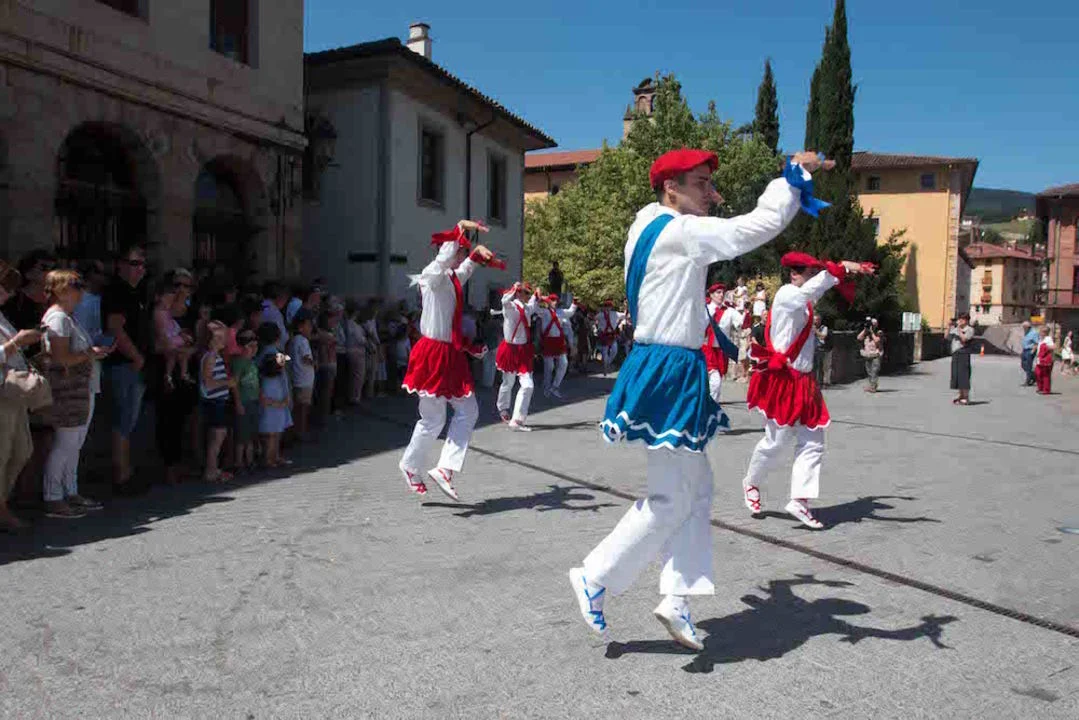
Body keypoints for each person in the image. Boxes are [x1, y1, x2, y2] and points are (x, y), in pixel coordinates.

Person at [571, 148, 835, 650]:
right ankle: (596, 576)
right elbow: (750, 229)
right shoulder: (680, 232)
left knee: (698, 489)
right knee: (672, 497)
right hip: (670, 366)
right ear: (671, 187)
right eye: (701, 183)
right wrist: (791, 180)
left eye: (711, 184)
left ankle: (676, 598)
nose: (712, 194)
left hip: (671, 364)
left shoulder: (646, 224)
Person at [741, 253, 875, 530]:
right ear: (795, 274)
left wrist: (845, 269)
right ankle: (751, 483)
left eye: (815, 273)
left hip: (804, 381)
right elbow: (812, 290)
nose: (814, 278)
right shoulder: (787, 294)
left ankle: (800, 500)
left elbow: (814, 291)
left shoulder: (804, 304)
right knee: (776, 442)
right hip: (783, 380)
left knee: (814, 441)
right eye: (810, 273)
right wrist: (839, 269)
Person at [399, 220, 496, 500]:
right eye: (460, 251)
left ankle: (438, 468)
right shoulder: (432, 275)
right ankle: (417, 466)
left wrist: (476, 256)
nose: (462, 255)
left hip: (447, 353)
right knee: (436, 418)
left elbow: (463, 271)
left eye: (463, 251)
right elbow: (442, 262)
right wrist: (458, 230)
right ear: (449, 250)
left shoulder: (451, 279)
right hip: (433, 354)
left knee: (459, 412)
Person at [41, 270, 112, 518]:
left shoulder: (68, 318)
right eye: (74, 285)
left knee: (75, 444)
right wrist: (90, 354)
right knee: (65, 444)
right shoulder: (58, 318)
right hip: (67, 390)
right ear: (60, 290)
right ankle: (53, 497)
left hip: (80, 388)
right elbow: (60, 358)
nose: (80, 290)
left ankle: (70, 491)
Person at [101, 244, 149, 494]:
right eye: (134, 263)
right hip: (123, 364)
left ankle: (127, 470)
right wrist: (136, 356)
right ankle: (122, 475)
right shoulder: (117, 291)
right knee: (123, 420)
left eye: (142, 264)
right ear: (120, 265)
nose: (140, 269)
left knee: (129, 420)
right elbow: (115, 328)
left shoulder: (135, 292)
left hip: (132, 364)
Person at [0, 260, 43, 532]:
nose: (8, 294)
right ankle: (1, 509)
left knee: (22, 449)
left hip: (12, 391)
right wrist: (17, 342)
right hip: (2, 392)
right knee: (4, 453)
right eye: (4, 288)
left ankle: (2, 502)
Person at [495, 282, 540, 431]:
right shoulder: (511, 307)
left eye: (528, 293)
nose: (527, 295)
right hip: (511, 349)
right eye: (525, 293)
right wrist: (514, 288)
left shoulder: (527, 308)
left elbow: (533, 304)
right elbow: (504, 301)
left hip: (524, 351)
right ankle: (503, 408)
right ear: (518, 293)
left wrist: (537, 295)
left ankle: (517, 420)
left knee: (528, 385)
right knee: (508, 382)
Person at [199, 321, 236, 483]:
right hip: (214, 401)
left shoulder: (215, 356)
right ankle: (211, 471)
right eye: (219, 338)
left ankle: (213, 468)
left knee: (218, 436)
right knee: (217, 437)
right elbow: (208, 382)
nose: (223, 341)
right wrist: (227, 383)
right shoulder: (210, 357)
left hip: (218, 400)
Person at [256, 322, 292, 467]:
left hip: (265, 388)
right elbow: (284, 376)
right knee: (277, 427)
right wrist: (288, 394)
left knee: (269, 426)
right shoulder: (280, 355)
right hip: (278, 389)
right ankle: (273, 457)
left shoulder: (259, 355)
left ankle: (270, 457)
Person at [702, 283, 740, 405]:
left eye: (723, 293)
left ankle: (710, 403)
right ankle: (712, 405)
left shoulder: (730, 311)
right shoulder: (705, 309)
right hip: (706, 349)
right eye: (718, 293)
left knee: (715, 380)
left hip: (721, 351)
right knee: (715, 381)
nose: (721, 295)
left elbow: (740, 323)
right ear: (711, 295)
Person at [231, 329, 261, 473]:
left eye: (256, 346)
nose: (254, 349)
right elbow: (234, 384)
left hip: (253, 400)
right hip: (244, 401)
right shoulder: (239, 362)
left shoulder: (252, 362)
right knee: (241, 435)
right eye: (250, 346)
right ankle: (239, 462)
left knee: (250, 434)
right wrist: (238, 403)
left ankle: (250, 461)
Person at [538, 294, 577, 399]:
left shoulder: (561, 312)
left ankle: (555, 387)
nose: (554, 302)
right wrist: (540, 298)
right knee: (549, 367)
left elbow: (571, 312)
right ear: (548, 301)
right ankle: (546, 387)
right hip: (548, 341)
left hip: (559, 341)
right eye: (552, 300)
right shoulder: (544, 312)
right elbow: (534, 309)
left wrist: (574, 303)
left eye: (556, 300)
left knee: (564, 363)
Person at [287, 310, 315, 440]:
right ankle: (301, 432)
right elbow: (306, 358)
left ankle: (296, 430)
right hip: (304, 379)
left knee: (298, 407)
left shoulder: (292, 340)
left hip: (297, 377)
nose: (310, 328)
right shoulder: (303, 341)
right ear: (300, 327)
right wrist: (315, 363)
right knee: (303, 407)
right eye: (308, 325)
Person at [343, 299, 368, 404]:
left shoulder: (349, 324)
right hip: (356, 351)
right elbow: (360, 339)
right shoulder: (352, 324)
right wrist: (366, 340)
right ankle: (354, 397)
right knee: (357, 376)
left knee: (355, 376)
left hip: (353, 351)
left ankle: (354, 396)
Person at [949, 313, 975, 405]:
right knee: (957, 376)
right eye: (959, 319)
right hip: (955, 353)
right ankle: (961, 395)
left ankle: (966, 397)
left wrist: (959, 329)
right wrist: (949, 326)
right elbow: (947, 337)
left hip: (963, 353)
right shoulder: (956, 328)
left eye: (962, 319)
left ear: (967, 320)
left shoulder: (970, 329)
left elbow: (964, 339)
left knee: (964, 375)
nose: (960, 321)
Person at [595, 300, 624, 376]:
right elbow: (594, 318)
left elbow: (624, 315)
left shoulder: (615, 314)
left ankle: (607, 363)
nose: (607, 308)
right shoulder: (601, 315)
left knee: (614, 350)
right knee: (605, 352)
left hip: (612, 334)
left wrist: (619, 321)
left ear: (611, 307)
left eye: (609, 306)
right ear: (604, 307)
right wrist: (599, 327)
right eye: (606, 306)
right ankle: (605, 366)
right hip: (604, 335)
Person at [857, 317, 883, 393]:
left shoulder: (879, 332)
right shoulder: (866, 333)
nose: (872, 326)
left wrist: (872, 332)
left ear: (876, 325)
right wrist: (865, 330)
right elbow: (859, 338)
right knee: (869, 371)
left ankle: (873, 387)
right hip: (868, 354)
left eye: (874, 324)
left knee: (874, 371)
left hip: (876, 355)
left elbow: (877, 341)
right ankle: (872, 385)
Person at [1035, 326, 1055, 395]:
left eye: (1041, 331)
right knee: (1037, 373)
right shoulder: (1041, 339)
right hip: (1040, 359)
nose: (1040, 333)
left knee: (1045, 375)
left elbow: (1053, 347)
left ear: (1045, 332)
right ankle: (1041, 387)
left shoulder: (1048, 339)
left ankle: (1046, 390)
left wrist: (1045, 347)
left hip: (1046, 360)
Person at [812, 315, 831, 387]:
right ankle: (813, 382)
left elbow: (823, 337)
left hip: (821, 349)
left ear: (820, 321)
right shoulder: (811, 328)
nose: (815, 321)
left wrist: (815, 331)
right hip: (812, 349)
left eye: (817, 320)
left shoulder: (824, 328)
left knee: (820, 366)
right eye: (814, 320)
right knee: (813, 367)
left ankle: (821, 382)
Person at [1020, 321, 1039, 387]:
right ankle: (1033, 376)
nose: (1023, 328)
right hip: (1024, 350)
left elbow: (1036, 343)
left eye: (1024, 327)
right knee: (1023, 365)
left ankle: (1028, 381)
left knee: (1028, 366)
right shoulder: (1026, 332)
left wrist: (1033, 351)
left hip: (1030, 350)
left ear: (1027, 327)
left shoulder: (1034, 333)